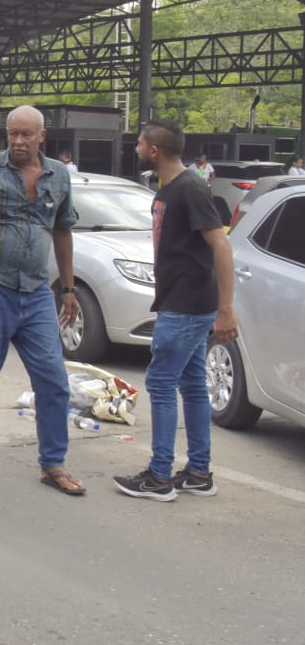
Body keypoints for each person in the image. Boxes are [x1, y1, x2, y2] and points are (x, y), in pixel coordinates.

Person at [0, 105, 85, 495]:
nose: (19, 142)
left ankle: (53, 464)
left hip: (38, 293)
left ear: (42, 136)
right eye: (13, 134)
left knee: (54, 381)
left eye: (27, 135)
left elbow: (63, 231)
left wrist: (70, 288)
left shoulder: (58, 176)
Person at [114, 119, 237, 501]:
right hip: (181, 302)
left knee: (162, 385)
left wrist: (226, 309)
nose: (134, 149)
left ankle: (159, 476)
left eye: (138, 143)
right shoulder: (168, 189)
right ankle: (199, 472)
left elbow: (221, 246)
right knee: (191, 386)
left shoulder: (190, 189)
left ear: (155, 150)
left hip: (186, 306)